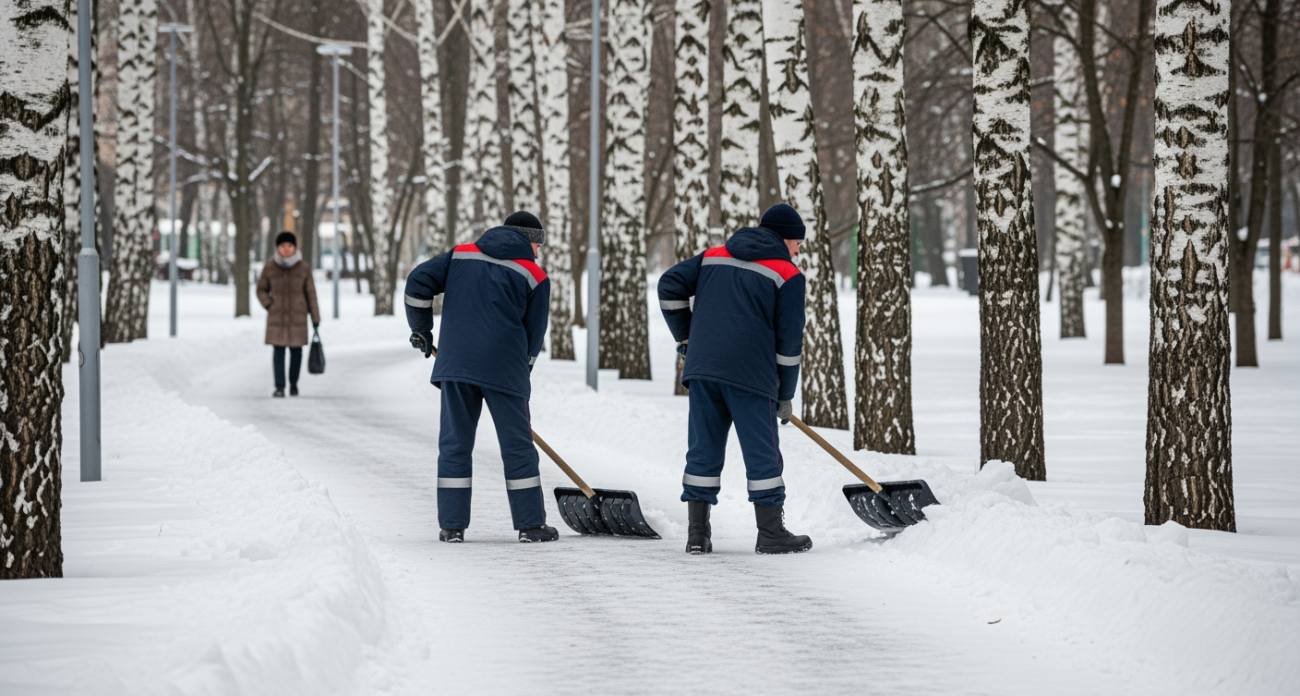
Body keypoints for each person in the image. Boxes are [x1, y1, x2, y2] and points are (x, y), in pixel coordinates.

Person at [657, 203, 813, 555]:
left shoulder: (713, 256)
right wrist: (784, 392)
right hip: (751, 377)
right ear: (785, 238)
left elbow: (669, 286)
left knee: (703, 450)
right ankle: (771, 533)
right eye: (797, 241)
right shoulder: (787, 274)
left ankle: (697, 534)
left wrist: (687, 338)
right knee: (763, 456)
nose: (799, 249)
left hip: (703, 370)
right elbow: (789, 344)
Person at [404, 211, 556, 544]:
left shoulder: (460, 255)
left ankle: (452, 526)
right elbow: (534, 335)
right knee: (517, 448)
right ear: (529, 239)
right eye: (538, 242)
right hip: (505, 370)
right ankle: (530, 525)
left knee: (455, 445)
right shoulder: (534, 275)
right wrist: (521, 371)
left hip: (456, 366)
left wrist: (421, 329)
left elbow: (417, 282)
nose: (539, 251)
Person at [256, 231, 320, 398]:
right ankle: (279, 386)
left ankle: (293, 384)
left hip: (298, 317)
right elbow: (261, 289)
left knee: (296, 353)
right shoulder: (270, 267)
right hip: (277, 317)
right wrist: (269, 304)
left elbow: (311, 294)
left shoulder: (303, 268)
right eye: (282, 245)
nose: (286, 249)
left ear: (294, 247)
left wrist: (315, 317)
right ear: (278, 247)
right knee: (278, 353)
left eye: (289, 245)